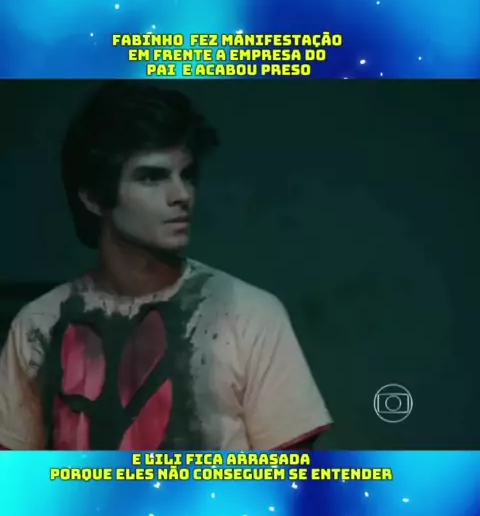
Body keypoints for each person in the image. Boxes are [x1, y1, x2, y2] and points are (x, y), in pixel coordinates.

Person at [0, 81, 332, 450]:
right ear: (93, 197)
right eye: (152, 177)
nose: (182, 195)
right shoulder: (39, 325)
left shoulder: (248, 314)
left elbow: (292, 476)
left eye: (186, 175)